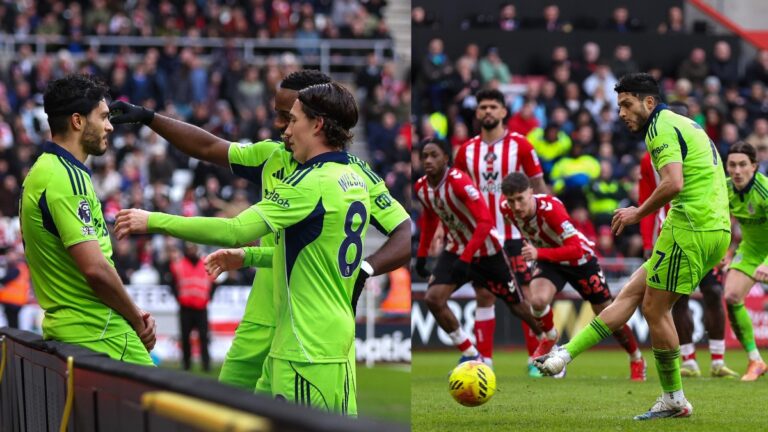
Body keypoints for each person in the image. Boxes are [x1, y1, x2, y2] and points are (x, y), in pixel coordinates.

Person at [109, 69, 410, 403]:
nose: (282, 126)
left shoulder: (324, 179)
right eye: (279, 116)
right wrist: (151, 118)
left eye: (289, 116)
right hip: (277, 318)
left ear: (315, 118)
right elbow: (208, 146)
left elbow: (236, 230)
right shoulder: (280, 157)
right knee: (225, 410)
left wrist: (365, 269)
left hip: (304, 328)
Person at [535, 73, 730, 420]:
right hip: (712, 227)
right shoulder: (684, 123)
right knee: (630, 293)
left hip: (691, 226)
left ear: (649, 102)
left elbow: (672, 183)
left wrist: (636, 213)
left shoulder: (659, 129)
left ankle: (673, 399)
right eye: (618, 105)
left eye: (627, 104)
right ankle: (563, 355)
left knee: (655, 310)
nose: (622, 113)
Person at [19, 74, 156, 365]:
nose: (109, 126)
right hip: (100, 333)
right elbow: (95, 268)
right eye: (103, 117)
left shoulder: (42, 170)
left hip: (72, 331)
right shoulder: (66, 178)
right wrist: (137, 318)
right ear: (78, 121)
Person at [501, 172, 646, 380]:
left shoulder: (552, 210)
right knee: (538, 300)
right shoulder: (505, 209)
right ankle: (550, 337)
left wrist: (538, 253)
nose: (515, 206)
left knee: (609, 315)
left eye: (520, 199)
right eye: (511, 201)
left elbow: (576, 249)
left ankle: (636, 358)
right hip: (550, 260)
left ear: (531, 193)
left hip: (580, 262)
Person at [414, 137, 543, 365]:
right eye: (424, 156)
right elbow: (430, 218)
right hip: (456, 250)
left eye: (434, 155)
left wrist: (466, 260)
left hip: (487, 251)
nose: (428, 160)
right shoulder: (421, 188)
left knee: (519, 306)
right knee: (433, 299)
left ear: (446, 158)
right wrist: (422, 255)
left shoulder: (459, 182)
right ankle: (471, 353)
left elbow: (485, 223)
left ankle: (549, 345)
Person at [639, 102, 738, 378]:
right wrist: (648, 241)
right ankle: (689, 360)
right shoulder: (652, 153)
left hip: (704, 232)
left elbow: (718, 193)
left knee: (714, 293)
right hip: (673, 234)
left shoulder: (702, 148)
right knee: (676, 300)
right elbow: (644, 197)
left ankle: (717, 360)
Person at [453, 88, 547, 375]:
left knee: (527, 297)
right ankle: (484, 361)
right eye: (483, 107)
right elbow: (458, 196)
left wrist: (542, 226)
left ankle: (537, 359)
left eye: (494, 106)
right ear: (477, 112)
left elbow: (539, 188)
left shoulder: (522, 145)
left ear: (505, 112)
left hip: (517, 236)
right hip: (484, 238)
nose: (488, 112)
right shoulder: (466, 151)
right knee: (483, 295)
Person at [722, 142, 768, 381]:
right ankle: (755, 360)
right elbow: (722, 220)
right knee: (730, 297)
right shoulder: (724, 188)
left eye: (742, 165)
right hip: (750, 250)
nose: (737, 171)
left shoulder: (765, 190)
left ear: (754, 166)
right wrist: (725, 251)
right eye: (732, 165)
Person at [169, 242, 215, 372]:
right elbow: (172, 283)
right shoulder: (178, 265)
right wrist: (178, 298)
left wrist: (209, 297)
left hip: (201, 307)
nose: (191, 250)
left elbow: (214, 282)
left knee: (204, 337)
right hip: (185, 307)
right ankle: (186, 365)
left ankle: (206, 365)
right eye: (189, 248)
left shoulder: (205, 264)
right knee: (185, 337)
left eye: (193, 248)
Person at [0, 248, 30, 328]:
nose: (8, 257)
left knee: (12, 325)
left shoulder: (17, 268)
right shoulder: (21, 267)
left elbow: (6, 279)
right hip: (15, 300)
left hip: (12, 300)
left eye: (10, 254)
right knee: (13, 324)